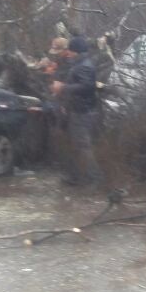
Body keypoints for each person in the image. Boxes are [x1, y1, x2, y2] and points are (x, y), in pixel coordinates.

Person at [51, 36, 104, 187]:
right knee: (75, 145)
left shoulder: (84, 66)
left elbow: (87, 87)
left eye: (71, 50)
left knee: (83, 146)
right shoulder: (80, 64)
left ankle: (95, 179)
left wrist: (63, 88)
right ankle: (73, 176)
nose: (69, 53)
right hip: (77, 109)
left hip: (83, 112)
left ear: (76, 51)